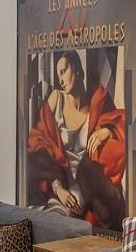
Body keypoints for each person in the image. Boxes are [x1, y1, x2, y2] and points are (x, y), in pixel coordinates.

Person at [26, 50, 127, 228]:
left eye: (63, 71)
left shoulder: (98, 99)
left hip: (89, 187)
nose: (61, 79)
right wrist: (59, 189)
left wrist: (107, 131)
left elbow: (122, 124)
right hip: (60, 185)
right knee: (50, 220)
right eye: (58, 74)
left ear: (78, 70)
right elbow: (36, 144)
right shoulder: (56, 99)